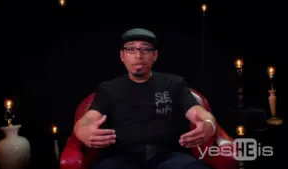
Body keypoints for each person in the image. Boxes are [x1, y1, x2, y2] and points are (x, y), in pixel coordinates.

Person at [74, 28, 216, 169]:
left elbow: (198, 112)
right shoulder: (108, 89)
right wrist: (82, 130)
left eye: (145, 49)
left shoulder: (175, 84)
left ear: (155, 55)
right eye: (131, 49)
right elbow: (88, 119)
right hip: (121, 158)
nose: (138, 55)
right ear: (122, 56)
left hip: (170, 156)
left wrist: (209, 123)